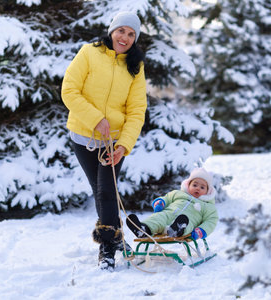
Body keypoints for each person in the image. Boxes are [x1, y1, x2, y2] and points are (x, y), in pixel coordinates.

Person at [61, 11, 147, 271]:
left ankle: (107, 247)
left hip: (114, 142)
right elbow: (69, 90)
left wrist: (124, 146)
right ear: (112, 30)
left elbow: (136, 110)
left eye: (131, 34)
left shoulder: (135, 67)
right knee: (101, 193)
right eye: (122, 30)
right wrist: (96, 119)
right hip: (83, 137)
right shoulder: (89, 53)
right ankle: (117, 237)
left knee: (107, 191)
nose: (125, 37)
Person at [127, 168, 218, 240]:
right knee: (158, 217)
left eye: (202, 187)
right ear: (188, 185)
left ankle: (176, 230)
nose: (197, 188)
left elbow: (211, 221)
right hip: (168, 213)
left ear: (207, 191)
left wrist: (201, 230)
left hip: (186, 220)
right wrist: (161, 203)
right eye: (194, 185)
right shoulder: (178, 193)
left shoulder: (207, 206)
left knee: (186, 223)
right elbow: (166, 198)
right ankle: (143, 229)